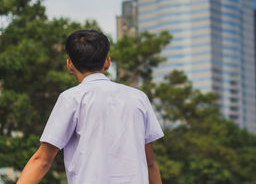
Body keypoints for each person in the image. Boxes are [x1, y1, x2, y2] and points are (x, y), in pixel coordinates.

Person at [17, 29, 163, 184]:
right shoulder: (138, 98)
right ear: (107, 62)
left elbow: (43, 160)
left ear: (70, 65)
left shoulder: (71, 99)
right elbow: (150, 162)